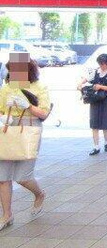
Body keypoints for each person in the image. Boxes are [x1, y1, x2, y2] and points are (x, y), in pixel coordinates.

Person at [0, 53, 50, 231]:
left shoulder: (39, 87)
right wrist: (3, 116)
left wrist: (27, 105)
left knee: (23, 177)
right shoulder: (7, 87)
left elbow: (44, 113)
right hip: (8, 129)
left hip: (30, 128)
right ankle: (7, 215)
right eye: (12, 70)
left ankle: (39, 194)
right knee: (2, 177)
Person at [78, 53, 107, 155]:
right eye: (100, 64)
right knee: (94, 123)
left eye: (103, 64)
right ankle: (96, 146)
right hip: (95, 100)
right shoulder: (96, 71)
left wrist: (101, 87)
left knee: (106, 123)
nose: (101, 66)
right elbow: (86, 78)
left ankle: (106, 142)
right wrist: (80, 83)